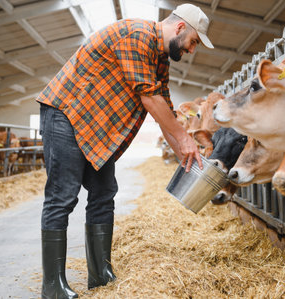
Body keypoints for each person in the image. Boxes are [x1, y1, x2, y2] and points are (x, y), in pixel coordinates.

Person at [36, 3, 212, 298]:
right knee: (62, 197)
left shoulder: (160, 59)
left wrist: (184, 152)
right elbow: (149, 97)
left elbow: (164, 106)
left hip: (96, 128)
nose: (192, 50)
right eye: (193, 42)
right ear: (180, 28)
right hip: (67, 115)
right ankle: (52, 285)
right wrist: (184, 138)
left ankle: (100, 275)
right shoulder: (137, 34)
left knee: (104, 194)